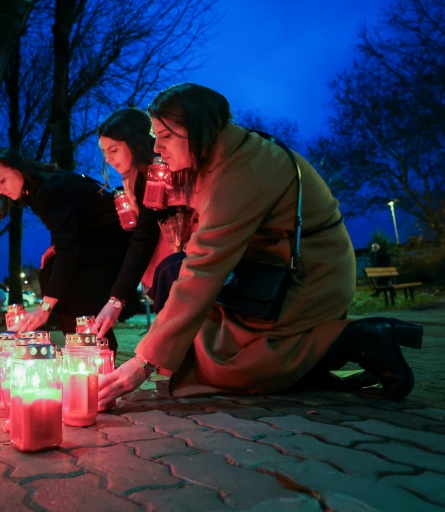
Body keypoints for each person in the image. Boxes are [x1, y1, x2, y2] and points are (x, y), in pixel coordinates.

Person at [98, 83, 423, 406]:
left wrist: (142, 363)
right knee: (200, 343)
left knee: (229, 367)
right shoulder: (220, 155)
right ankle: (312, 364)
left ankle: (360, 340)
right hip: (267, 272)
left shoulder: (240, 171)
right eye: (155, 138)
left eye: (166, 136)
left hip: (307, 277)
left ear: (196, 129)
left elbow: (204, 265)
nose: (157, 148)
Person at [0, 148, 135, 353]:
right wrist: (57, 246)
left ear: (19, 169)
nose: (0, 190)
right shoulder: (38, 191)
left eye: (2, 180)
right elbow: (72, 225)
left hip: (116, 241)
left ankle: (94, 350)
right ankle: (84, 346)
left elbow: (69, 249)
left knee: (65, 281)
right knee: (53, 270)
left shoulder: (47, 190)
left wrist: (45, 308)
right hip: (99, 240)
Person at [93, 108, 191, 338]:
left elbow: (144, 237)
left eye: (114, 149)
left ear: (135, 142)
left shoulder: (154, 177)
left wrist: (117, 300)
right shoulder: (133, 180)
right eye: (105, 152)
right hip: (170, 275)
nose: (108, 158)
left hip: (180, 274)